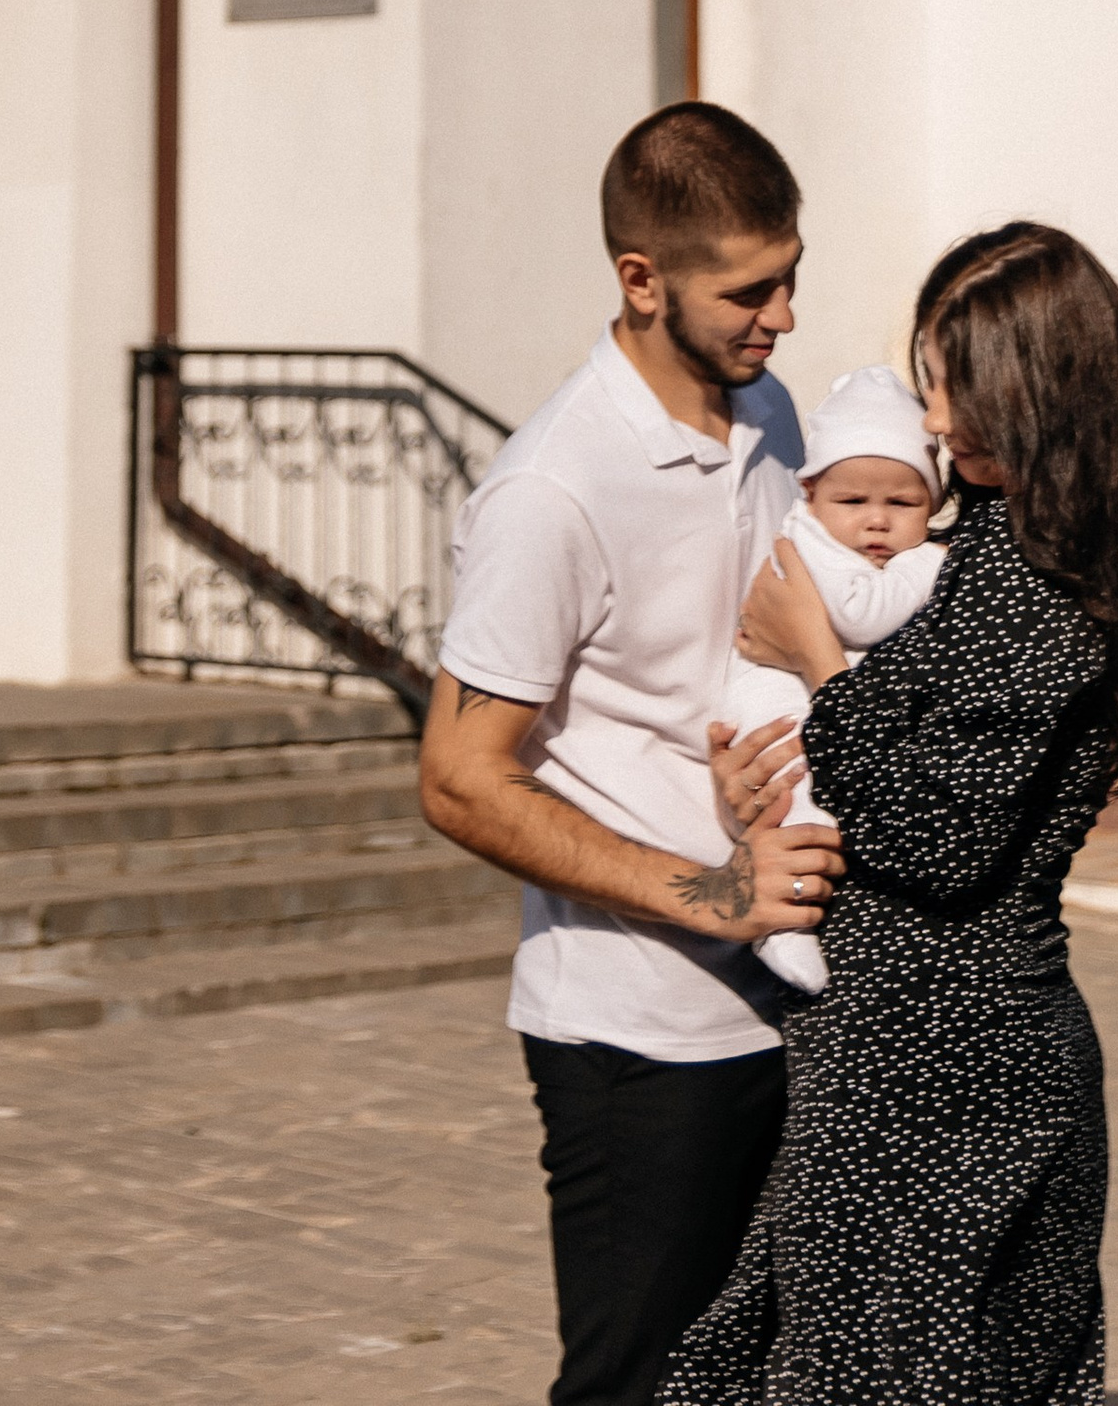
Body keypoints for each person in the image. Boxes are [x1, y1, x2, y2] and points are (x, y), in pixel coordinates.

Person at [660, 220, 1118, 1406]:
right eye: (925, 384)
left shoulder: (1048, 590)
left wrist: (818, 669)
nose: (933, 421)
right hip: (893, 1052)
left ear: (1033, 390)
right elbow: (889, 776)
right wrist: (766, 778)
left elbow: (936, 839)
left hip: (953, 1071)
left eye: (950, 386)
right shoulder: (981, 548)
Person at [419, 104, 848, 1406]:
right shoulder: (554, 486)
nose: (781, 317)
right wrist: (709, 894)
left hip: (793, 1007)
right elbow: (457, 776)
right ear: (642, 281)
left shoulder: (770, 412)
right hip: (635, 1037)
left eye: (790, 278)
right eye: (749, 291)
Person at [715, 365, 946, 996]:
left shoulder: (853, 543)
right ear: (811, 494)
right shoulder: (808, 541)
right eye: (852, 502)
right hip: (775, 700)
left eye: (902, 503)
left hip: (809, 695)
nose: (876, 523)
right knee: (800, 804)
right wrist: (931, 559)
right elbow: (859, 613)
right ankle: (782, 924)